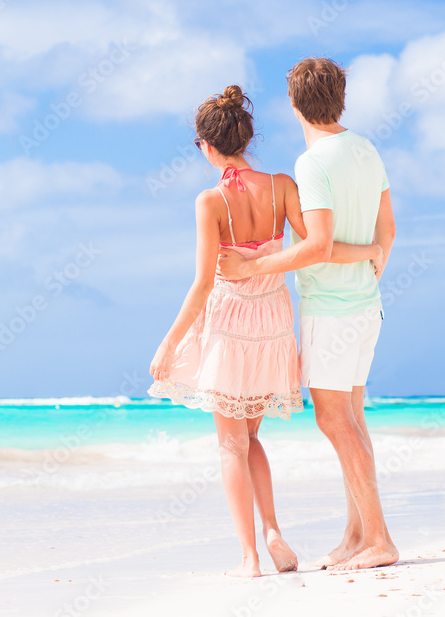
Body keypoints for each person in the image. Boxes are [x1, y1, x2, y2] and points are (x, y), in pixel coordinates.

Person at [149, 85, 382, 577]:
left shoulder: (211, 201)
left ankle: (250, 557)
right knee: (252, 437)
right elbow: (319, 246)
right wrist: (367, 252)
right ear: (247, 137)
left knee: (231, 444)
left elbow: (200, 286)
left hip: (231, 325)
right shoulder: (281, 185)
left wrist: (169, 343)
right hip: (273, 325)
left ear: (208, 147)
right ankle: (273, 530)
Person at [218, 58, 399, 571]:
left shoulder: (312, 163)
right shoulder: (366, 148)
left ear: (294, 103)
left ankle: (380, 539)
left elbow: (317, 245)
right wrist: (370, 269)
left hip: (332, 310)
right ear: (340, 97)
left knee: (334, 420)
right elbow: (387, 230)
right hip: (365, 305)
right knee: (353, 421)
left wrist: (255, 265)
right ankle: (356, 534)